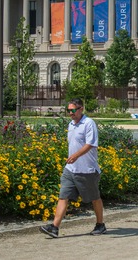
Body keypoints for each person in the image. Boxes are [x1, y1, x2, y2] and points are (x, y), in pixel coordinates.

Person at [40, 98, 106, 238]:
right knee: (63, 196)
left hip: (87, 170)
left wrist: (76, 155)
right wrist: (73, 158)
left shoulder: (89, 123)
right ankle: (54, 227)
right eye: (68, 110)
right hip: (70, 169)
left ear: (81, 109)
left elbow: (90, 144)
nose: (70, 113)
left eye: (73, 110)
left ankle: (100, 224)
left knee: (94, 198)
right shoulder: (71, 124)